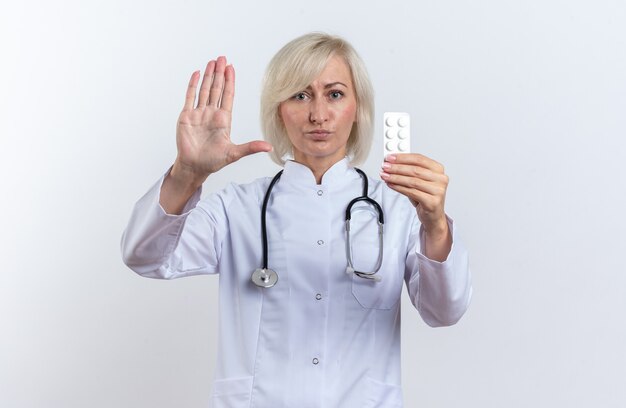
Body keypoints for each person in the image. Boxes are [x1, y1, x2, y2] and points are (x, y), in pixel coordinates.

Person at [121, 32, 472, 408]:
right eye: (300, 95)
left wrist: (435, 224)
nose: (318, 114)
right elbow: (144, 257)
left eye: (335, 94)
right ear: (278, 110)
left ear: (359, 108)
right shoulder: (236, 209)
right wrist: (186, 174)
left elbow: (444, 310)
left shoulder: (399, 210)